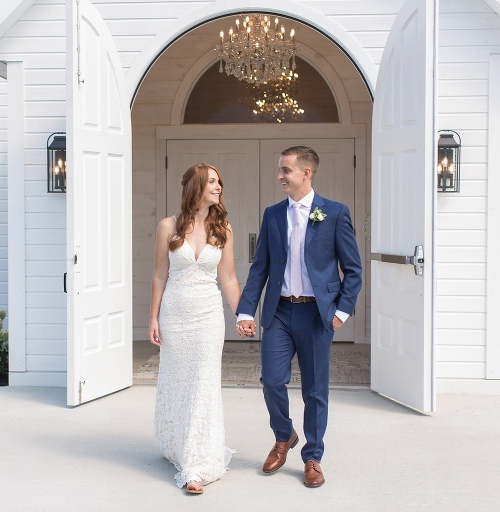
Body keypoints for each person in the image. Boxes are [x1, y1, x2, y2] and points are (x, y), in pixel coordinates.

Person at [236, 145, 362, 488]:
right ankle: (284, 435)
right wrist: (246, 309)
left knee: (315, 390)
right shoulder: (273, 214)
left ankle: (313, 456)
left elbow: (353, 270)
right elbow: (259, 267)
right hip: (279, 312)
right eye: (280, 170)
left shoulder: (334, 213)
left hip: (317, 315)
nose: (280, 176)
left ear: (306, 173)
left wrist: (341, 312)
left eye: (285, 170)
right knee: (272, 381)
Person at [149, 163, 244, 495]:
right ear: (196, 187)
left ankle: (196, 465)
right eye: (212, 182)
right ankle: (178, 442)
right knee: (179, 381)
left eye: (220, 181)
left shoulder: (224, 229)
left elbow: (228, 278)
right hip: (175, 315)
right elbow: (160, 275)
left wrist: (242, 314)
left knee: (203, 383)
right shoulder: (168, 226)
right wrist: (153, 318)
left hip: (208, 316)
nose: (219, 187)